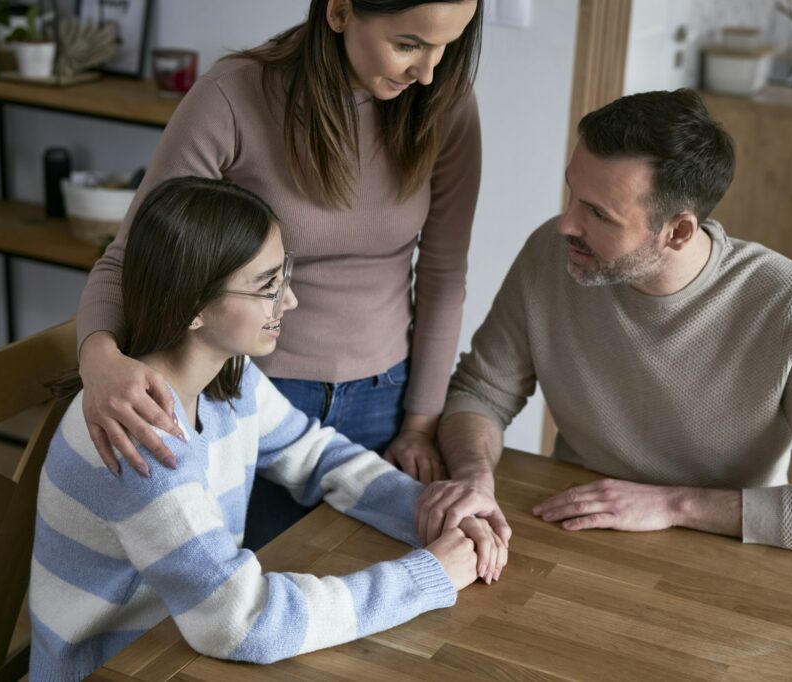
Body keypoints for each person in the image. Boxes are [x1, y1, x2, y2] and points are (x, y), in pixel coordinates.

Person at [29, 177, 506, 682]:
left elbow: (317, 454)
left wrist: (432, 511)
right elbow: (244, 621)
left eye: (285, 276)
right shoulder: (140, 436)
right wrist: (427, 575)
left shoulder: (228, 381)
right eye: (268, 287)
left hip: (179, 647)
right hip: (120, 667)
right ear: (194, 307)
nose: (291, 301)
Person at [415, 89, 792, 558]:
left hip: (724, 558)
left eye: (598, 214)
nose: (566, 224)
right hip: (571, 528)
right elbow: (481, 392)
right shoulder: (552, 253)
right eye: (572, 194)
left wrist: (673, 504)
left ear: (678, 231)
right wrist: (473, 475)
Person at [76, 0, 482, 549]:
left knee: (367, 599)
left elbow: (443, 275)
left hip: (388, 400)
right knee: (250, 594)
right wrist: (99, 359)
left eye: (447, 46)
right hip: (246, 394)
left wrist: (420, 424)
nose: (429, 72)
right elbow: (131, 257)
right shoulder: (234, 96)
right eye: (409, 44)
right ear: (339, 11)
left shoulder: (443, 104)